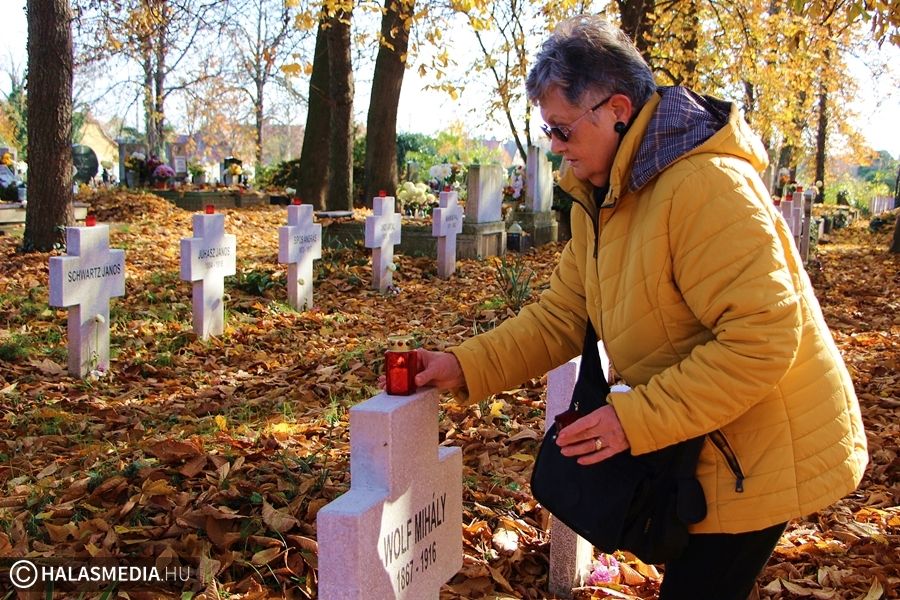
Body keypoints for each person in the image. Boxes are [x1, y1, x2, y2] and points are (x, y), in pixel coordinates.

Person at [408, 15, 868, 600]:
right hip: (700, 443)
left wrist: (634, 419)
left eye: (563, 129)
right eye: (548, 130)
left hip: (758, 450)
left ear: (617, 110)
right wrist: (464, 365)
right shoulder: (606, 196)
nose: (554, 145)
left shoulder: (705, 185)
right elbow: (561, 315)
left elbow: (762, 338)